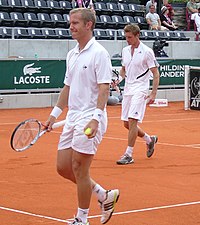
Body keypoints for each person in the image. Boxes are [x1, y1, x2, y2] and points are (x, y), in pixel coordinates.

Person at [45, 8, 119, 225]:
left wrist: (96, 118)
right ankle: (104, 195)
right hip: (72, 117)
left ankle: (82, 219)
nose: (71, 27)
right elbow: (67, 88)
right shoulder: (72, 54)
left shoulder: (99, 53)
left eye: (75, 23)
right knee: (63, 168)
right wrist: (53, 115)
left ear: (89, 25)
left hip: (90, 118)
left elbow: (104, 89)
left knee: (79, 167)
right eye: (70, 23)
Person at [115, 24, 160, 165]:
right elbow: (123, 70)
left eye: (130, 37)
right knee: (127, 124)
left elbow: (155, 73)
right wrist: (118, 80)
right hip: (128, 89)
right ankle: (149, 139)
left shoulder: (147, 52)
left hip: (141, 89)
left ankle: (128, 154)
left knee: (133, 120)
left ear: (137, 35)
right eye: (126, 37)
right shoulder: (125, 50)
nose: (127, 40)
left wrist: (153, 93)